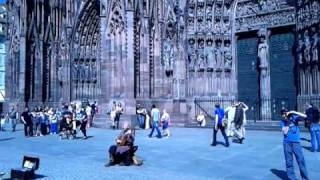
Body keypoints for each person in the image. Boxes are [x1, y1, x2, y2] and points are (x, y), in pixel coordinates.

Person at [280, 109, 309, 180]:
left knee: (301, 160)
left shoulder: (294, 118)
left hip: (296, 143)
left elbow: (305, 116)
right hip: (287, 143)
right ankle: (291, 178)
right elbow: (285, 132)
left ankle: (305, 178)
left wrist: (293, 112)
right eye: (283, 114)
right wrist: (288, 122)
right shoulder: (282, 122)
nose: (284, 115)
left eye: (285, 113)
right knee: (289, 162)